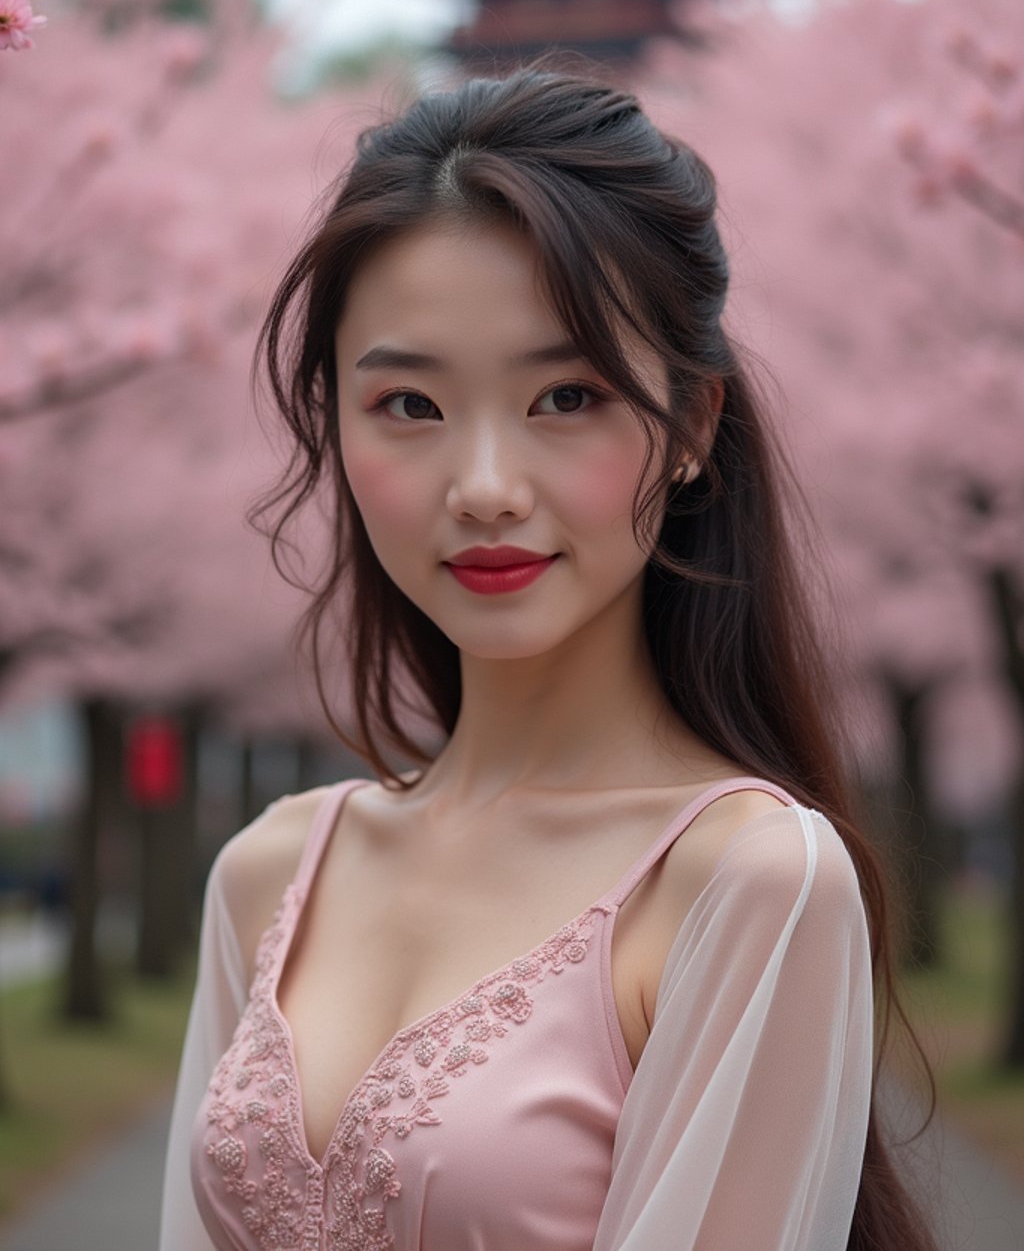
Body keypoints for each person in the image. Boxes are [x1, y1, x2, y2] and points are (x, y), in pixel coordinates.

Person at [159, 66, 940, 1251]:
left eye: (565, 396)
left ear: (687, 428)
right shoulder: (270, 874)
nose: (482, 488)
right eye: (409, 406)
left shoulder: (747, 884)